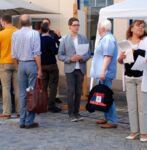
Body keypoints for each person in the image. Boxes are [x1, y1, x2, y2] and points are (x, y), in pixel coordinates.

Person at [118, 20, 147, 142]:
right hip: (129, 77)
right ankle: (134, 131)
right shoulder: (125, 43)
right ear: (131, 28)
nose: (141, 28)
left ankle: (144, 133)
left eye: (143, 26)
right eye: (138, 26)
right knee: (131, 106)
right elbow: (119, 61)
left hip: (142, 78)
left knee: (143, 107)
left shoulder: (146, 42)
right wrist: (121, 57)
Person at [12, 14, 42, 129]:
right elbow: (37, 53)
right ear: (31, 22)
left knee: (22, 94)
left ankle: (22, 120)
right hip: (31, 64)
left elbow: (14, 54)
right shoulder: (34, 33)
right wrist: (39, 69)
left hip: (21, 65)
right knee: (32, 93)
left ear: (20, 22)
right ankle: (29, 121)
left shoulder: (15, 34)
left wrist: (17, 67)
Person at [58, 17, 90, 122]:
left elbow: (88, 54)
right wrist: (70, 59)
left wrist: (82, 57)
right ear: (70, 26)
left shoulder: (83, 38)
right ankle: (71, 113)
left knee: (78, 91)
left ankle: (77, 112)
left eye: (78, 25)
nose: (77, 27)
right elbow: (60, 55)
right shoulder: (64, 39)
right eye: (75, 25)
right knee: (71, 91)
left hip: (80, 68)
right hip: (70, 69)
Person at [90, 19, 118, 128]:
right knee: (104, 96)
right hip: (104, 73)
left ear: (103, 28)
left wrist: (102, 71)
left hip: (105, 73)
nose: (97, 28)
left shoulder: (108, 39)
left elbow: (108, 56)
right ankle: (107, 118)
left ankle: (112, 120)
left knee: (107, 96)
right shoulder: (106, 38)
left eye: (98, 26)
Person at [0, 15, 19, 119]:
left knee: (6, 88)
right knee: (18, 88)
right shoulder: (19, 32)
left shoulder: (1, 34)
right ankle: (20, 111)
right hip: (18, 63)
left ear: (4, 22)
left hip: (4, 63)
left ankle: (7, 112)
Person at [40, 22, 61, 113]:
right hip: (51, 65)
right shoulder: (50, 39)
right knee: (53, 85)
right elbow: (55, 51)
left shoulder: (38, 39)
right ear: (48, 30)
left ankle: (43, 104)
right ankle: (51, 105)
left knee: (44, 86)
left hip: (42, 65)